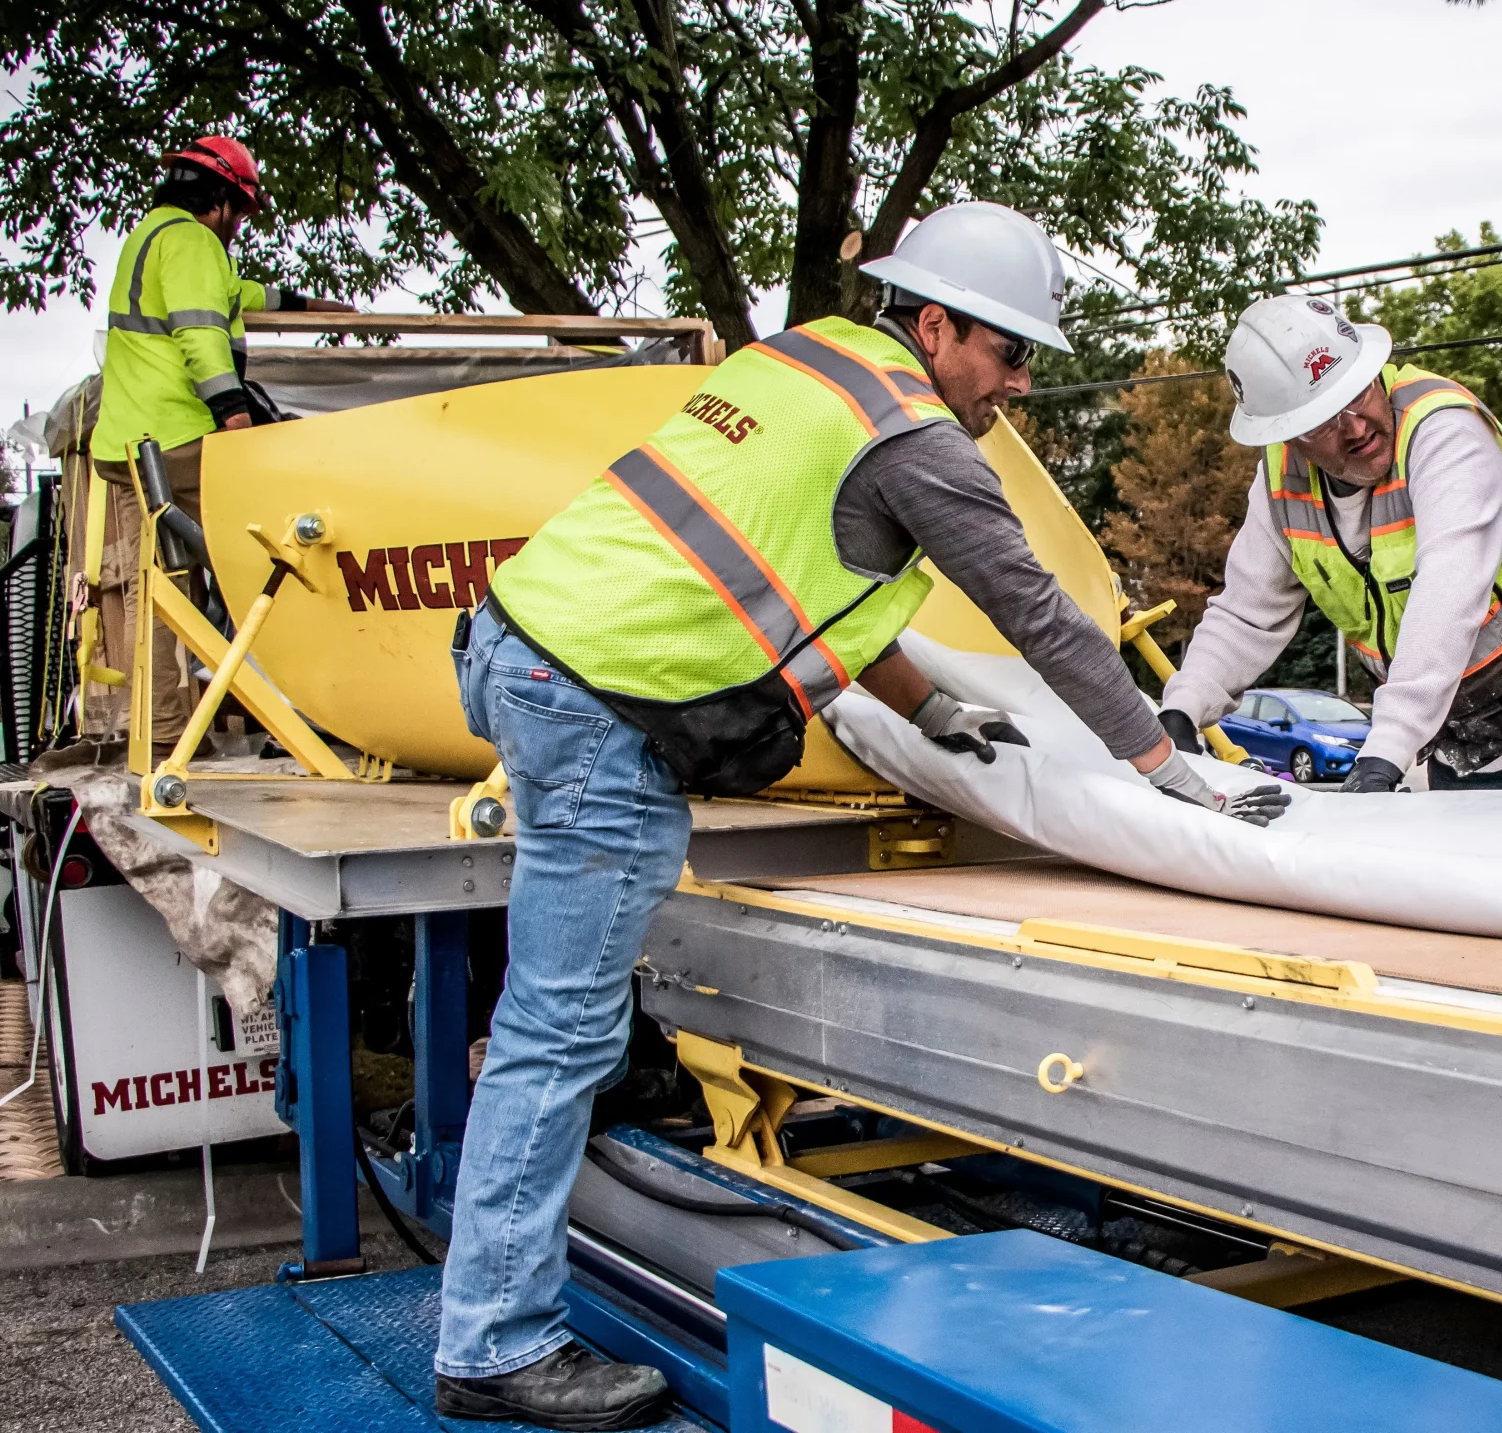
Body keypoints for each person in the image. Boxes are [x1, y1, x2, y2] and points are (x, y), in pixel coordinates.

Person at [434, 201, 1287, 1429]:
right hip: (596, 705)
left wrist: (930, 709)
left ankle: (495, 1312)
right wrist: (1164, 765)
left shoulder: (804, 362)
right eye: (1007, 352)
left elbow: (797, 568)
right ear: (936, 326)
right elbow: (1043, 618)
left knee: (558, 1025)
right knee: (557, 1036)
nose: (1021, 382)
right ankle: (495, 1346)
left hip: (519, 642)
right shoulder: (919, 439)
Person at [1161, 295, 1502, 795]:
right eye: (1324, 420)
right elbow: (1247, 612)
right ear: (1288, 436)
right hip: (1458, 723)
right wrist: (1185, 704)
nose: (1355, 427)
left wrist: (1387, 748)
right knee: (1466, 873)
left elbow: (1447, 590)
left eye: (1358, 393)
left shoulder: (1444, 432)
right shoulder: (1281, 483)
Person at [82, 136, 356, 747]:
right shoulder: (193, 241)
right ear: (224, 203)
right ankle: (318, 711)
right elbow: (201, 331)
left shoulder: (151, 237)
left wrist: (307, 304)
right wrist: (234, 414)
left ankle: (159, 732)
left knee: (154, 589)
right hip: (179, 439)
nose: (239, 229)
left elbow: (233, 296)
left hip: (131, 445)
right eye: (242, 215)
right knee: (287, 555)